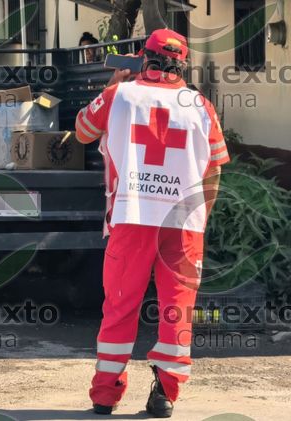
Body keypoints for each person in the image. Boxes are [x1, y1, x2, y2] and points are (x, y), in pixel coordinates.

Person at [74, 29, 228, 418]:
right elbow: (215, 171)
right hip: (185, 224)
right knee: (177, 310)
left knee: (120, 306)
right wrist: (201, 218)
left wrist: (112, 84)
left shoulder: (118, 96)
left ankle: (104, 396)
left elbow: (82, 131)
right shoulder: (201, 106)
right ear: (183, 64)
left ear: (144, 58)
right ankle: (165, 394)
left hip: (132, 216)